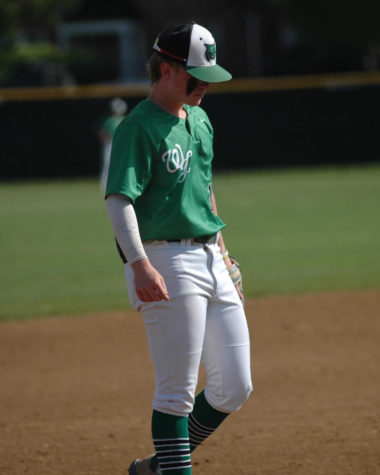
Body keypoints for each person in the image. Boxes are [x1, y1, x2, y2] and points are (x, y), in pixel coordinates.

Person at [105, 22, 253, 475]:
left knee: (235, 385)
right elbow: (119, 200)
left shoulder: (201, 119)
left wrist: (225, 256)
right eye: (196, 77)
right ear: (167, 70)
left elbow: (204, 191)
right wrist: (140, 265)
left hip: (210, 256)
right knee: (177, 392)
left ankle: (159, 465)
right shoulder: (138, 126)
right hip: (165, 260)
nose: (205, 86)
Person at [97, 97, 128, 192]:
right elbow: (101, 132)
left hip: (122, 143)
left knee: (124, 164)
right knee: (107, 163)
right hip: (110, 143)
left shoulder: (125, 119)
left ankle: (123, 183)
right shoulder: (108, 120)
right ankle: (104, 184)